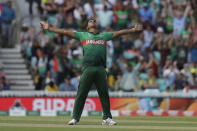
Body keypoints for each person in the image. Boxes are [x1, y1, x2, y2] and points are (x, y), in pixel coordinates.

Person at [40, 17, 142, 125]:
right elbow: (65, 32)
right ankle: (75, 118)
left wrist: (132, 30)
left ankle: (106, 118)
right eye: (90, 21)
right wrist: (49, 28)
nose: (92, 21)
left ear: (96, 25)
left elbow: (119, 33)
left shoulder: (103, 35)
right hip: (87, 68)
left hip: (101, 69)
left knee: (104, 94)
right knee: (81, 93)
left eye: (94, 21)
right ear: (87, 26)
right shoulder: (82, 35)